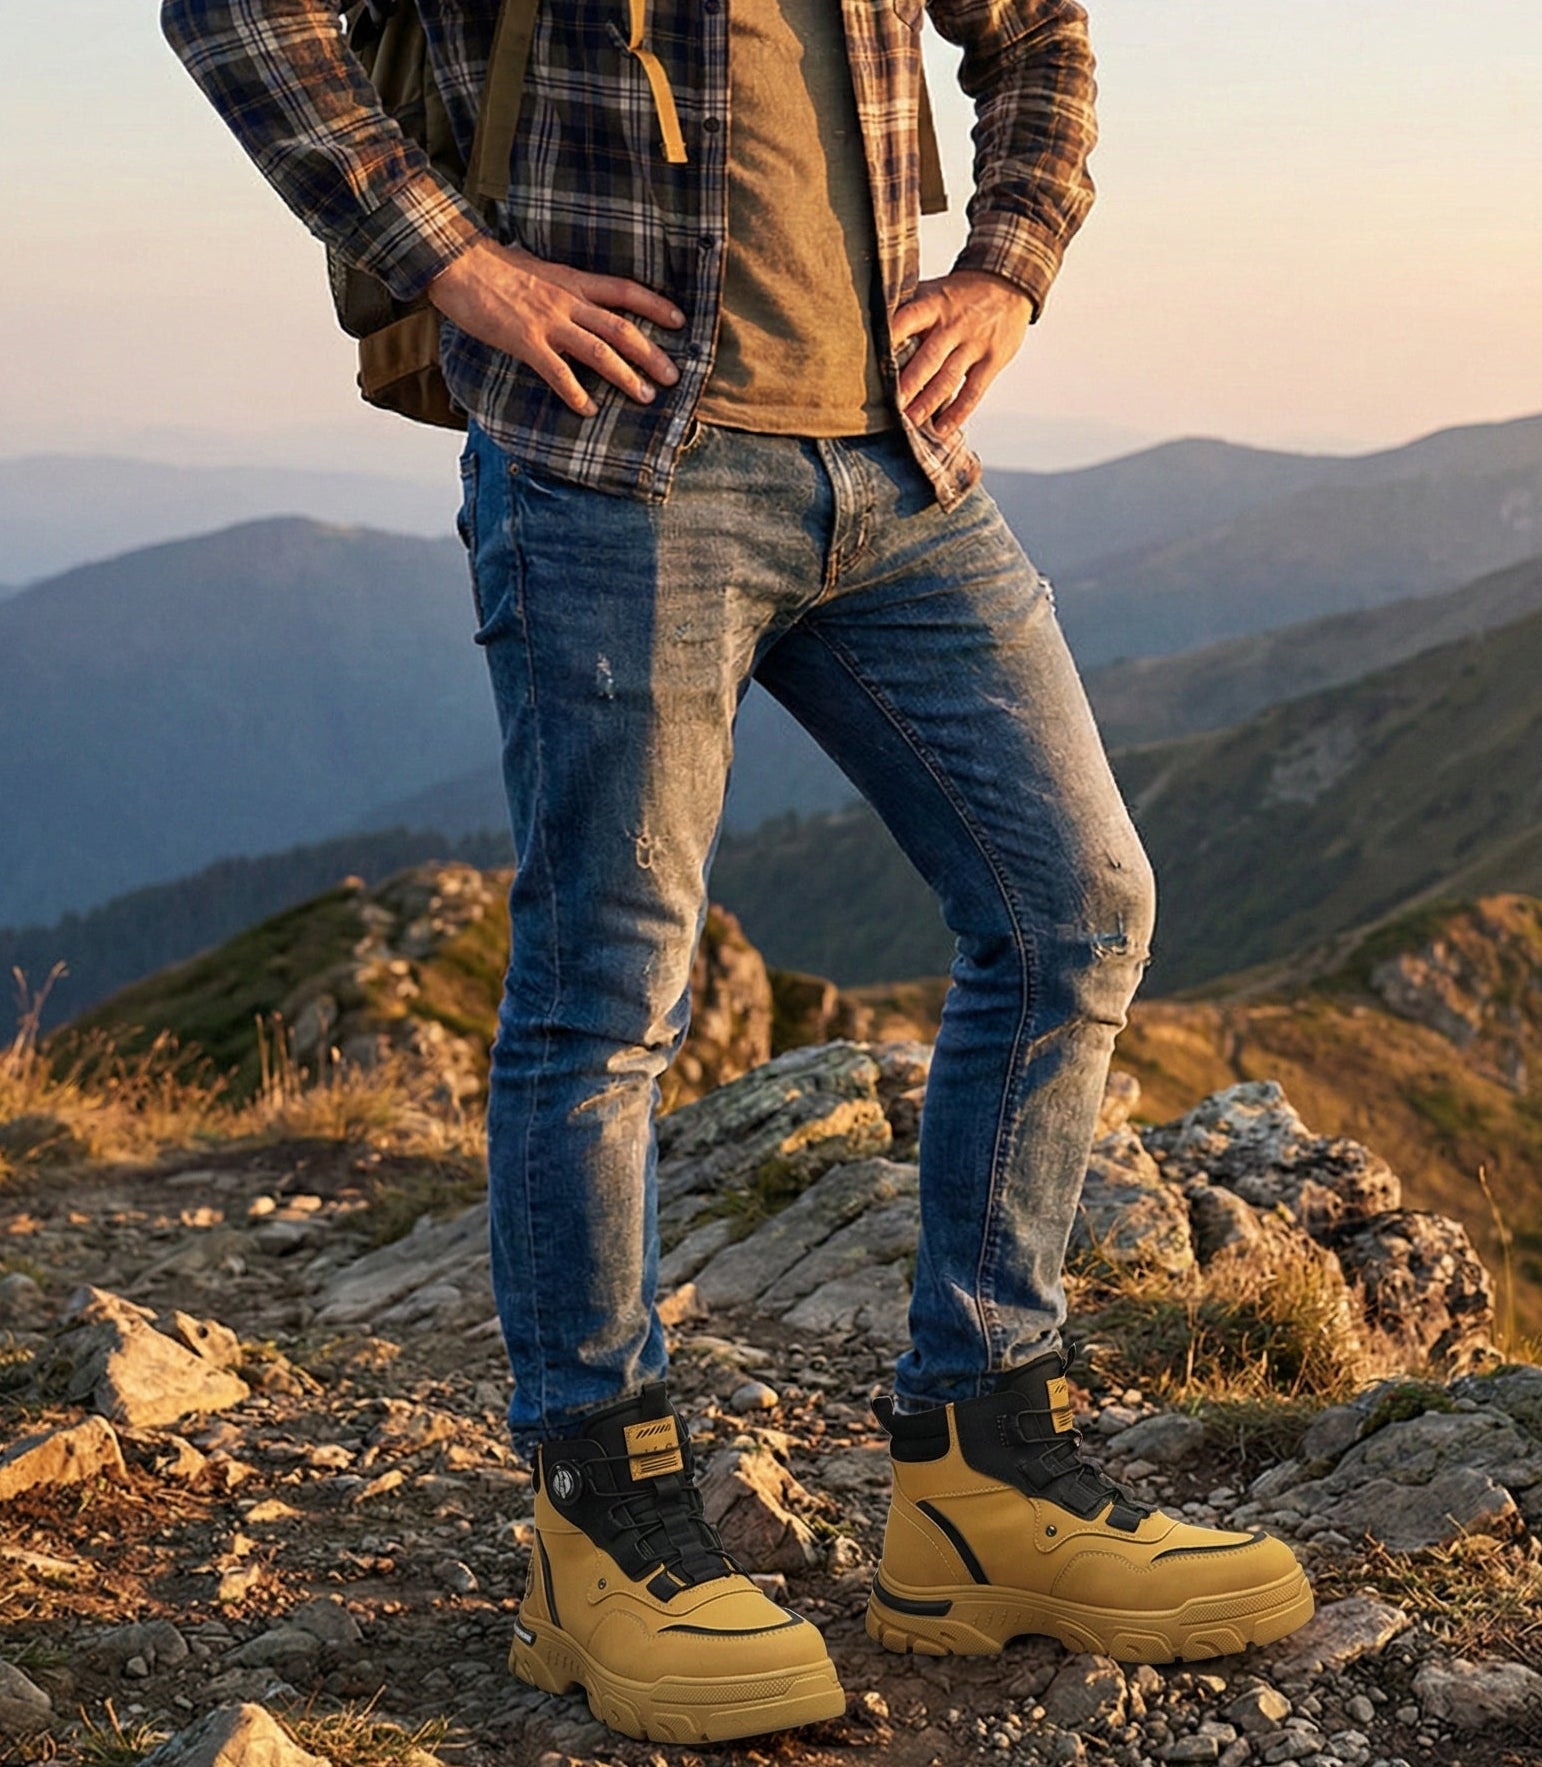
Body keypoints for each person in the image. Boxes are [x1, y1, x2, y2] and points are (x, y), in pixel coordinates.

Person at [161, 0, 1314, 1745]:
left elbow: (1037, 30)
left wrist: (1007, 267)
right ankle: (601, 1520)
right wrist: (459, 264)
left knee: (1073, 910)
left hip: (901, 470)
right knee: (606, 997)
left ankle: (985, 1476)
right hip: (619, 472)